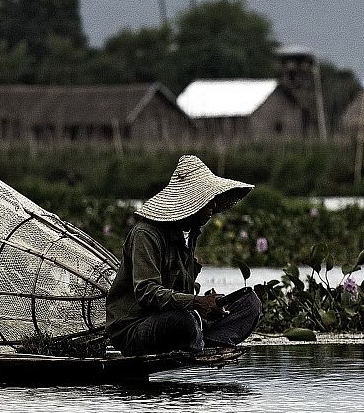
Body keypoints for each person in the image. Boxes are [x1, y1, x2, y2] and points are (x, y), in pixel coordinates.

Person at [105, 153, 263, 357]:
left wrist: (209, 303)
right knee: (183, 322)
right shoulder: (145, 234)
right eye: (207, 201)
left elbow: (181, 294)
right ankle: (197, 339)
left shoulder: (190, 232)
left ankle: (202, 342)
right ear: (191, 203)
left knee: (250, 303)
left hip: (179, 315)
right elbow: (147, 293)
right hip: (137, 328)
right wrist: (196, 303)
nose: (213, 207)